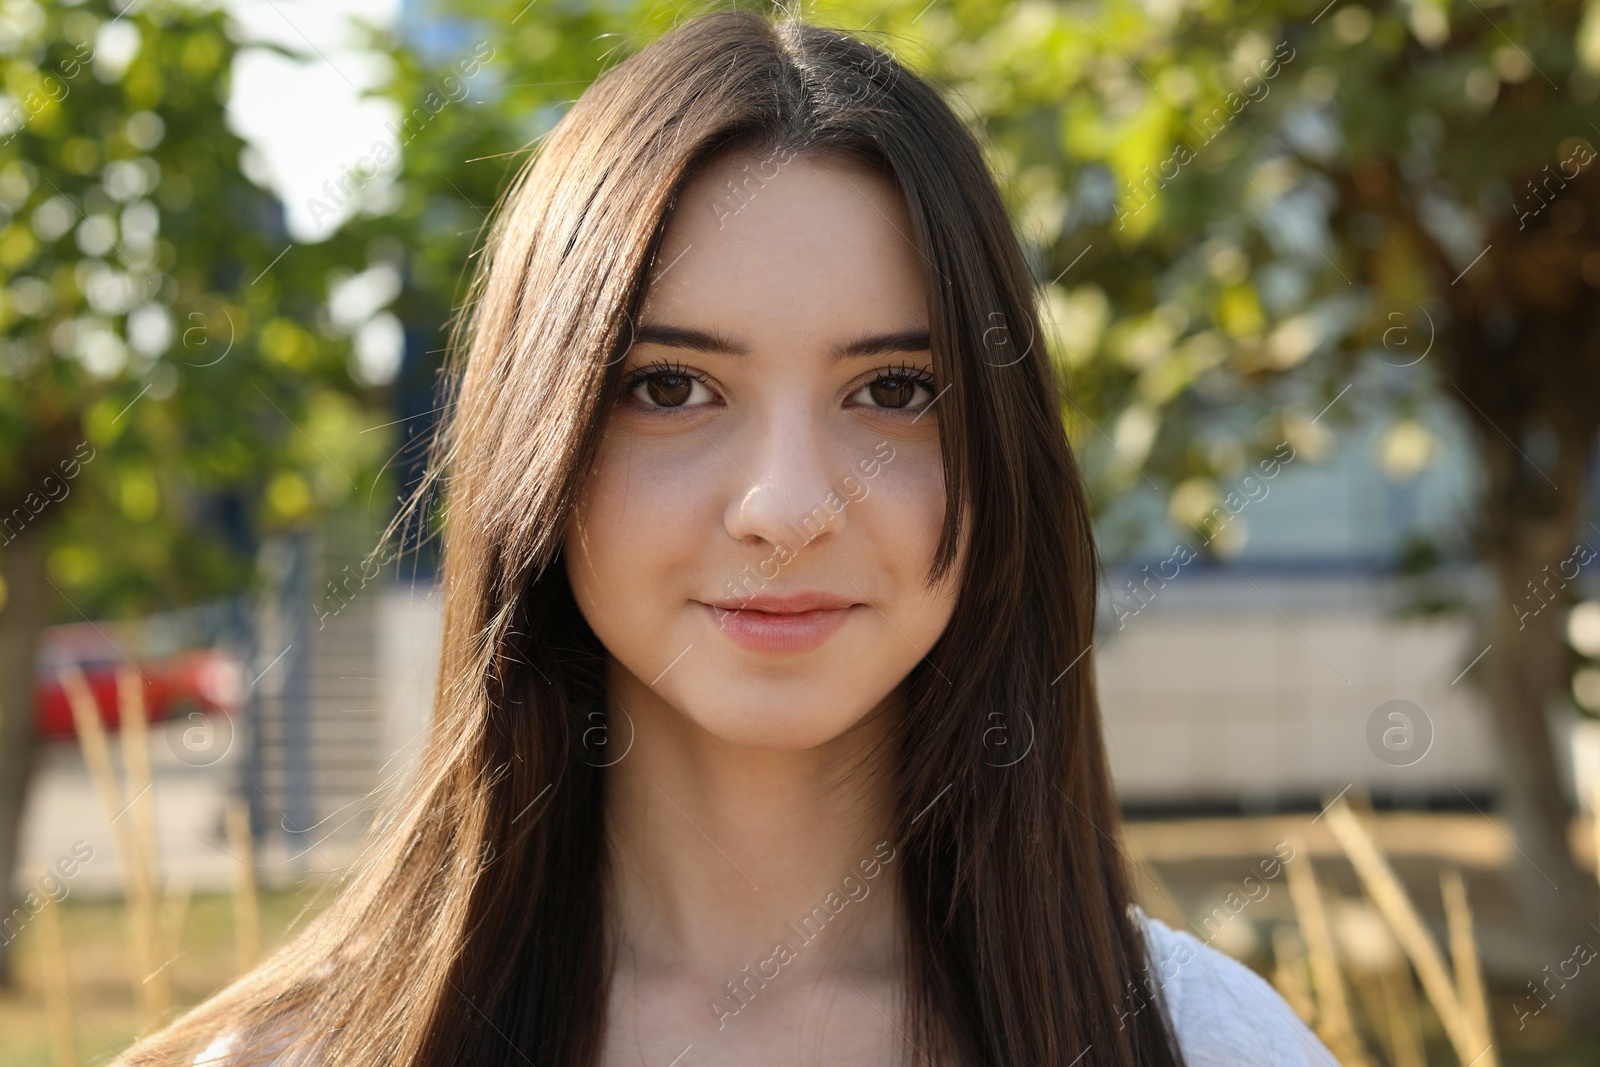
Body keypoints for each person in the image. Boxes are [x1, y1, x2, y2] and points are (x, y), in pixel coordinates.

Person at [118, 9, 1337, 1066]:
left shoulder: (1203, 1040)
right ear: (538, 437)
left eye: (897, 390)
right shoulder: (311, 1051)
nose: (785, 505)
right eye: (668, 387)